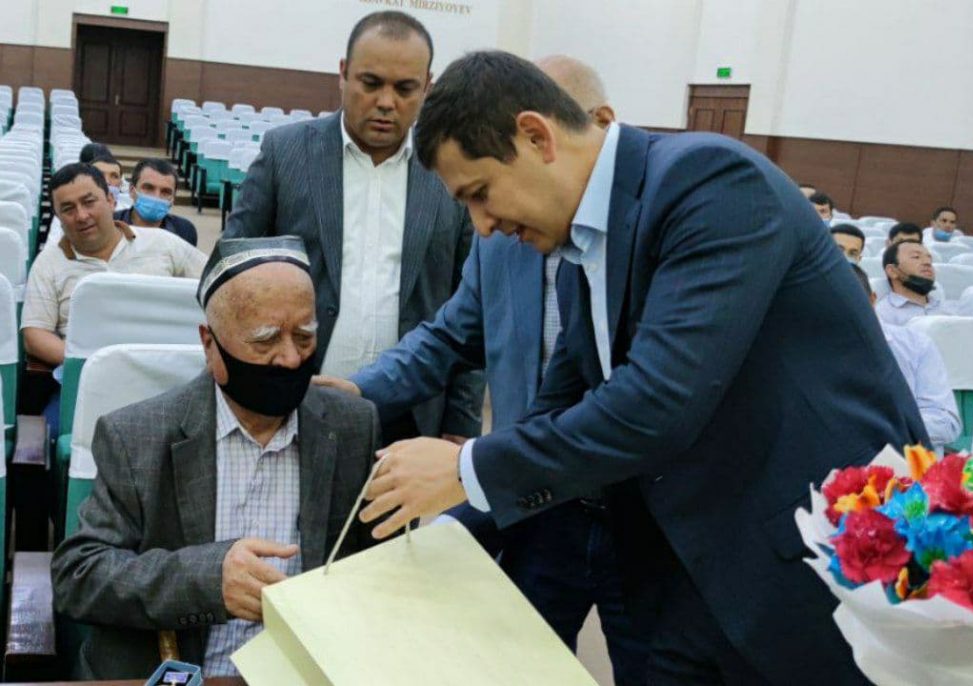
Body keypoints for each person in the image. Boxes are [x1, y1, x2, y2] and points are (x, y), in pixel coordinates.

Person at [358, 51, 927, 684]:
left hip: (811, 566)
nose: (483, 226)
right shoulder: (581, 256)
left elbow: (657, 403)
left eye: (480, 194)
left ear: (537, 137)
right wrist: (442, 530)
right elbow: (555, 413)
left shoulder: (710, 183)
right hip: (684, 576)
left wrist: (465, 466)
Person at [321, 55, 648, 684]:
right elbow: (448, 338)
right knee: (517, 663)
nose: (485, 220)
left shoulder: (644, 234)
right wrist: (356, 391)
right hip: (540, 497)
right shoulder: (498, 237)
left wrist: (464, 468)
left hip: (636, 509)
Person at [51, 237, 382, 680]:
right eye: (266, 340)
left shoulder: (352, 426)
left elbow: (376, 575)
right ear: (210, 345)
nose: (290, 358)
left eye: (304, 337)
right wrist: (207, 581)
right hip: (182, 671)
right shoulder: (137, 436)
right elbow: (79, 575)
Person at [222, 10, 481, 444]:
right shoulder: (286, 153)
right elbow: (230, 274)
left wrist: (460, 424)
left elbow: (472, 306)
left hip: (413, 418)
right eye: (371, 83)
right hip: (293, 402)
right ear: (343, 74)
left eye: (405, 89)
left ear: (427, 87)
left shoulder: (450, 172)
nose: (386, 102)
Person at [21, 163, 207, 434]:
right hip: (85, 385)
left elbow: (217, 285)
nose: (81, 216)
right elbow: (35, 334)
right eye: (68, 209)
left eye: (89, 202)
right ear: (58, 217)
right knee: (51, 437)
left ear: (110, 200)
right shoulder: (48, 263)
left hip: (165, 384)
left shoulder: (163, 243)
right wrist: (97, 363)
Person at [851, 264, 961, 453]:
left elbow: (945, 422)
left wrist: (878, 427)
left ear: (872, 300)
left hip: (905, 461)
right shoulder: (803, 352)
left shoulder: (915, 345)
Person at [115, 158, 198, 246]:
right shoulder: (111, 223)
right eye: (148, 188)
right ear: (132, 190)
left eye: (165, 192)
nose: (156, 196)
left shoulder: (185, 231)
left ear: (173, 198)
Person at [875, 240, 956, 326]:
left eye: (929, 259)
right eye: (916, 257)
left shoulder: (947, 310)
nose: (927, 262)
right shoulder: (882, 314)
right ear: (892, 271)